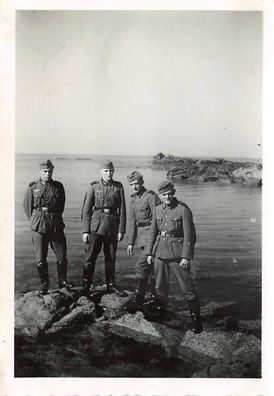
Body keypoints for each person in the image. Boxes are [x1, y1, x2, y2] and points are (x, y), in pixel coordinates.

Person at [145, 180, 202, 334]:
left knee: (187, 287)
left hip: (177, 255)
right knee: (160, 286)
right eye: (164, 194)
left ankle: (196, 321)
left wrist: (186, 257)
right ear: (160, 196)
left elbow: (190, 235)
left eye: (169, 193)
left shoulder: (183, 210)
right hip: (159, 253)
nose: (167, 196)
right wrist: (149, 253)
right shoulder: (157, 209)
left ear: (173, 192)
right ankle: (162, 314)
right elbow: (152, 233)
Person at [23, 159, 72, 295]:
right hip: (38, 225)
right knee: (40, 257)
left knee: (61, 255)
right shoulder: (32, 187)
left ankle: (62, 281)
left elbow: (61, 205)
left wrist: (53, 217)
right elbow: (27, 207)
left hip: (55, 225)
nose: (47, 174)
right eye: (45, 171)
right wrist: (35, 221)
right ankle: (44, 283)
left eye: (50, 171)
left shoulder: (58, 186)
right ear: (40, 172)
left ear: (52, 170)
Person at [81, 160, 126, 295]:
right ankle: (86, 286)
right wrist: (85, 230)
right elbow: (86, 210)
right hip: (96, 226)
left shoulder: (118, 187)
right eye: (106, 171)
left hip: (112, 226)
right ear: (101, 171)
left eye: (111, 171)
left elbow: (122, 210)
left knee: (111, 258)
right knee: (90, 257)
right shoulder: (93, 187)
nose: (109, 173)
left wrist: (121, 230)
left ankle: (110, 285)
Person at [124, 171, 161, 312]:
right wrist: (130, 243)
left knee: (141, 266)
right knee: (150, 268)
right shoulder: (133, 199)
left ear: (142, 183)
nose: (134, 187)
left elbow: (158, 220)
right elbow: (132, 221)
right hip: (141, 238)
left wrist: (154, 239)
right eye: (131, 184)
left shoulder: (151, 197)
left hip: (153, 237)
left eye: (136, 184)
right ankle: (153, 296)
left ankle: (139, 297)